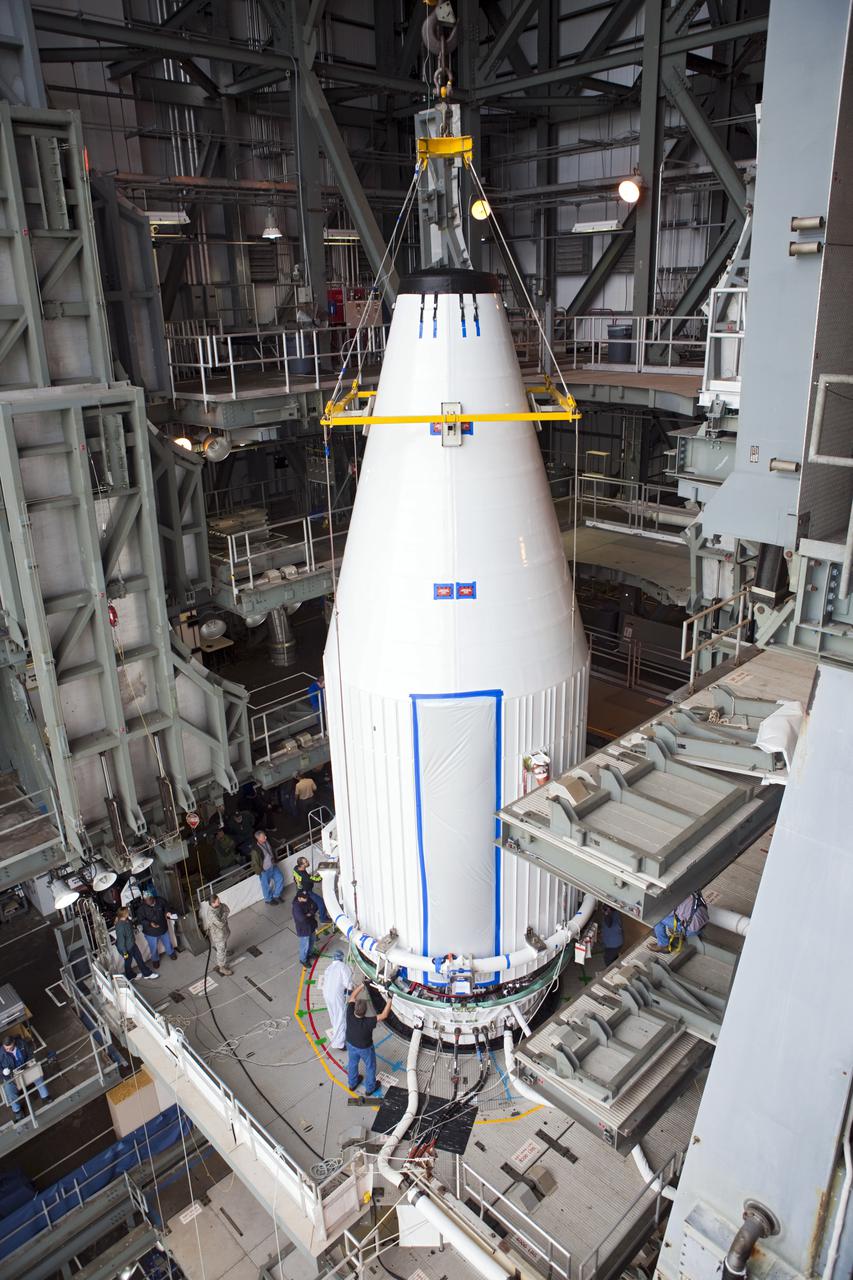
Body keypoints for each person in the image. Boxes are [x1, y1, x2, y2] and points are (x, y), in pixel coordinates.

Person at [345, 983, 392, 1097]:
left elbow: (352, 997)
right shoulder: (369, 1022)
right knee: (370, 1066)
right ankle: (370, 1088)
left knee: (352, 1063)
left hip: (350, 1043)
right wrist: (390, 999)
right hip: (365, 1048)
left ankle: (352, 1083)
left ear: (355, 1008)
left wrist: (362, 985)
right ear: (365, 1012)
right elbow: (384, 1014)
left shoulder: (349, 1012)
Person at [1, 1034, 50, 1120]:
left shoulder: (22, 1043)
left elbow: (30, 1054)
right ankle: (17, 1111)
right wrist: (5, 1074)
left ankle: (45, 1097)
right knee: (8, 1089)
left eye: (10, 1047)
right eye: (6, 1048)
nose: (7, 1050)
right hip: (12, 1076)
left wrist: (28, 1065)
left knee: (37, 1076)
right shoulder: (1, 1054)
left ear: (14, 1042)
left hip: (25, 1069)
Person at [114, 907, 159, 982]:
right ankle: (139, 975)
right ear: (124, 914)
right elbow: (121, 941)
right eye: (127, 911)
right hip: (127, 948)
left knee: (135, 960)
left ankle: (139, 975)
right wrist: (125, 952)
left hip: (131, 944)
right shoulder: (120, 927)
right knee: (131, 961)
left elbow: (130, 927)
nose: (128, 912)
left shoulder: (126, 921)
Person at [137, 887, 179, 967]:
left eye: (149, 899)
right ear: (144, 900)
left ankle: (171, 953)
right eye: (146, 900)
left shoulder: (160, 900)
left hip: (163, 928)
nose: (148, 901)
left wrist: (167, 912)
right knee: (153, 948)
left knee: (168, 943)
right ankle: (155, 960)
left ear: (152, 897)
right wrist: (150, 923)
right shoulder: (141, 908)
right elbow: (141, 920)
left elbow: (166, 907)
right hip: (150, 932)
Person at [322, 949, 353, 1050]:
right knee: (340, 1018)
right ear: (342, 958)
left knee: (334, 1016)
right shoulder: (343, 967)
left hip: (326, 995)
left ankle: (337, 1036)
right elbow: (349, 984)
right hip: (336, 996)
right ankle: (339, 1044)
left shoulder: (328, 968)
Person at [250, 830, 285, 904]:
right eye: (263, 837)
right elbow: (255, 863)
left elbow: (273, 848)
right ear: (258, 838)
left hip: (273, 866)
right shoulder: (255, 850)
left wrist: (280, 844)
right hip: (264, 870)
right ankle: (268, 899)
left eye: (265, 836)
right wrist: (260, 872)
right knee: (266, 885)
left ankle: (276, 895)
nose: (265, 837)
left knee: (280, 878)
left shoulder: (267, 841)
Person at [293, 856, 330, 924]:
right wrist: (322, 874)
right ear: (301, 865)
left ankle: (317, 912)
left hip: (300, 889)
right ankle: (323, 919)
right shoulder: (304, 876)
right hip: (307, 892)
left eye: (306, 860)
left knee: (315, 903)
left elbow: (300, 877)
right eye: (306, 862)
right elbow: (318, 879)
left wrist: (309, 877)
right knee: (321, 903)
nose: (308, 862)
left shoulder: (295, 868)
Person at [204, 894, 233, 976]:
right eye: (218, 901)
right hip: (218, 935)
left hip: (224, 931)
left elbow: (227, 909)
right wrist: (224, 917)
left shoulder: (220, 905)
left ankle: (225, 951)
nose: (220, 902)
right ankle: (222, 967)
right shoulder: (211, 914)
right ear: (213, 903)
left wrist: (223, 916)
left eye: (219, 900)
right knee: (220, 951)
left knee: (224, 944)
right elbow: (220, 924)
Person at [292, 889, 318, 967]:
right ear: (299, 898)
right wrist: (310, 913)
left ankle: (309, 954)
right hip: (304, 929)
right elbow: (302, 919)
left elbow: (315, 906)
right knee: (304, 945)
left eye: (306, 896)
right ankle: (303, 959)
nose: (306, 898)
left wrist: (309, 913)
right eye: (304, 897)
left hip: (311, 925)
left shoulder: (307, 899)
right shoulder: (296, 907)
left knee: (312, 941)